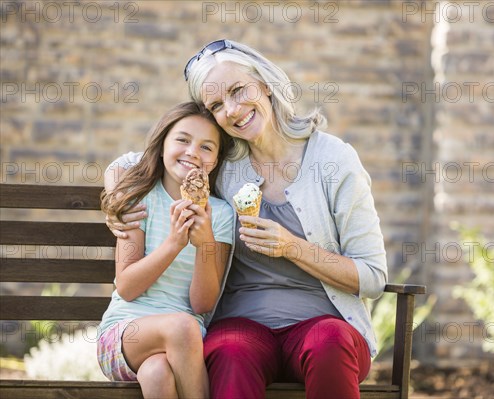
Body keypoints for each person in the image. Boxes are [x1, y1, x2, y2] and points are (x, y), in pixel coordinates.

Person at [105, 39, 388, 399]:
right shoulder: (223, 164)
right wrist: (117, 199)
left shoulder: (334, 160)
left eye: (239, 90)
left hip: (325, 324)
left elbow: (373, 278)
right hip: (243, 323)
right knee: (230, 351)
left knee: (328, 343)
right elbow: (134, 162)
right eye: (218, 105)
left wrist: (293, 248)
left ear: (266, 84)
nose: (234, 110)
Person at [98, 101, 234, 399]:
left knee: (157, 373)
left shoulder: (221, 215)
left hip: (184, 343)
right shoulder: (139, 200)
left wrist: (205, 244)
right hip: (123, 335)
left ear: (216, 160)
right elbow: (127, 287)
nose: (193, 153)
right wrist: (174, 243)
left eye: (206, 147)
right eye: (182, 140)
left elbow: (201, 304)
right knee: (182, 328)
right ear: (162, 147)